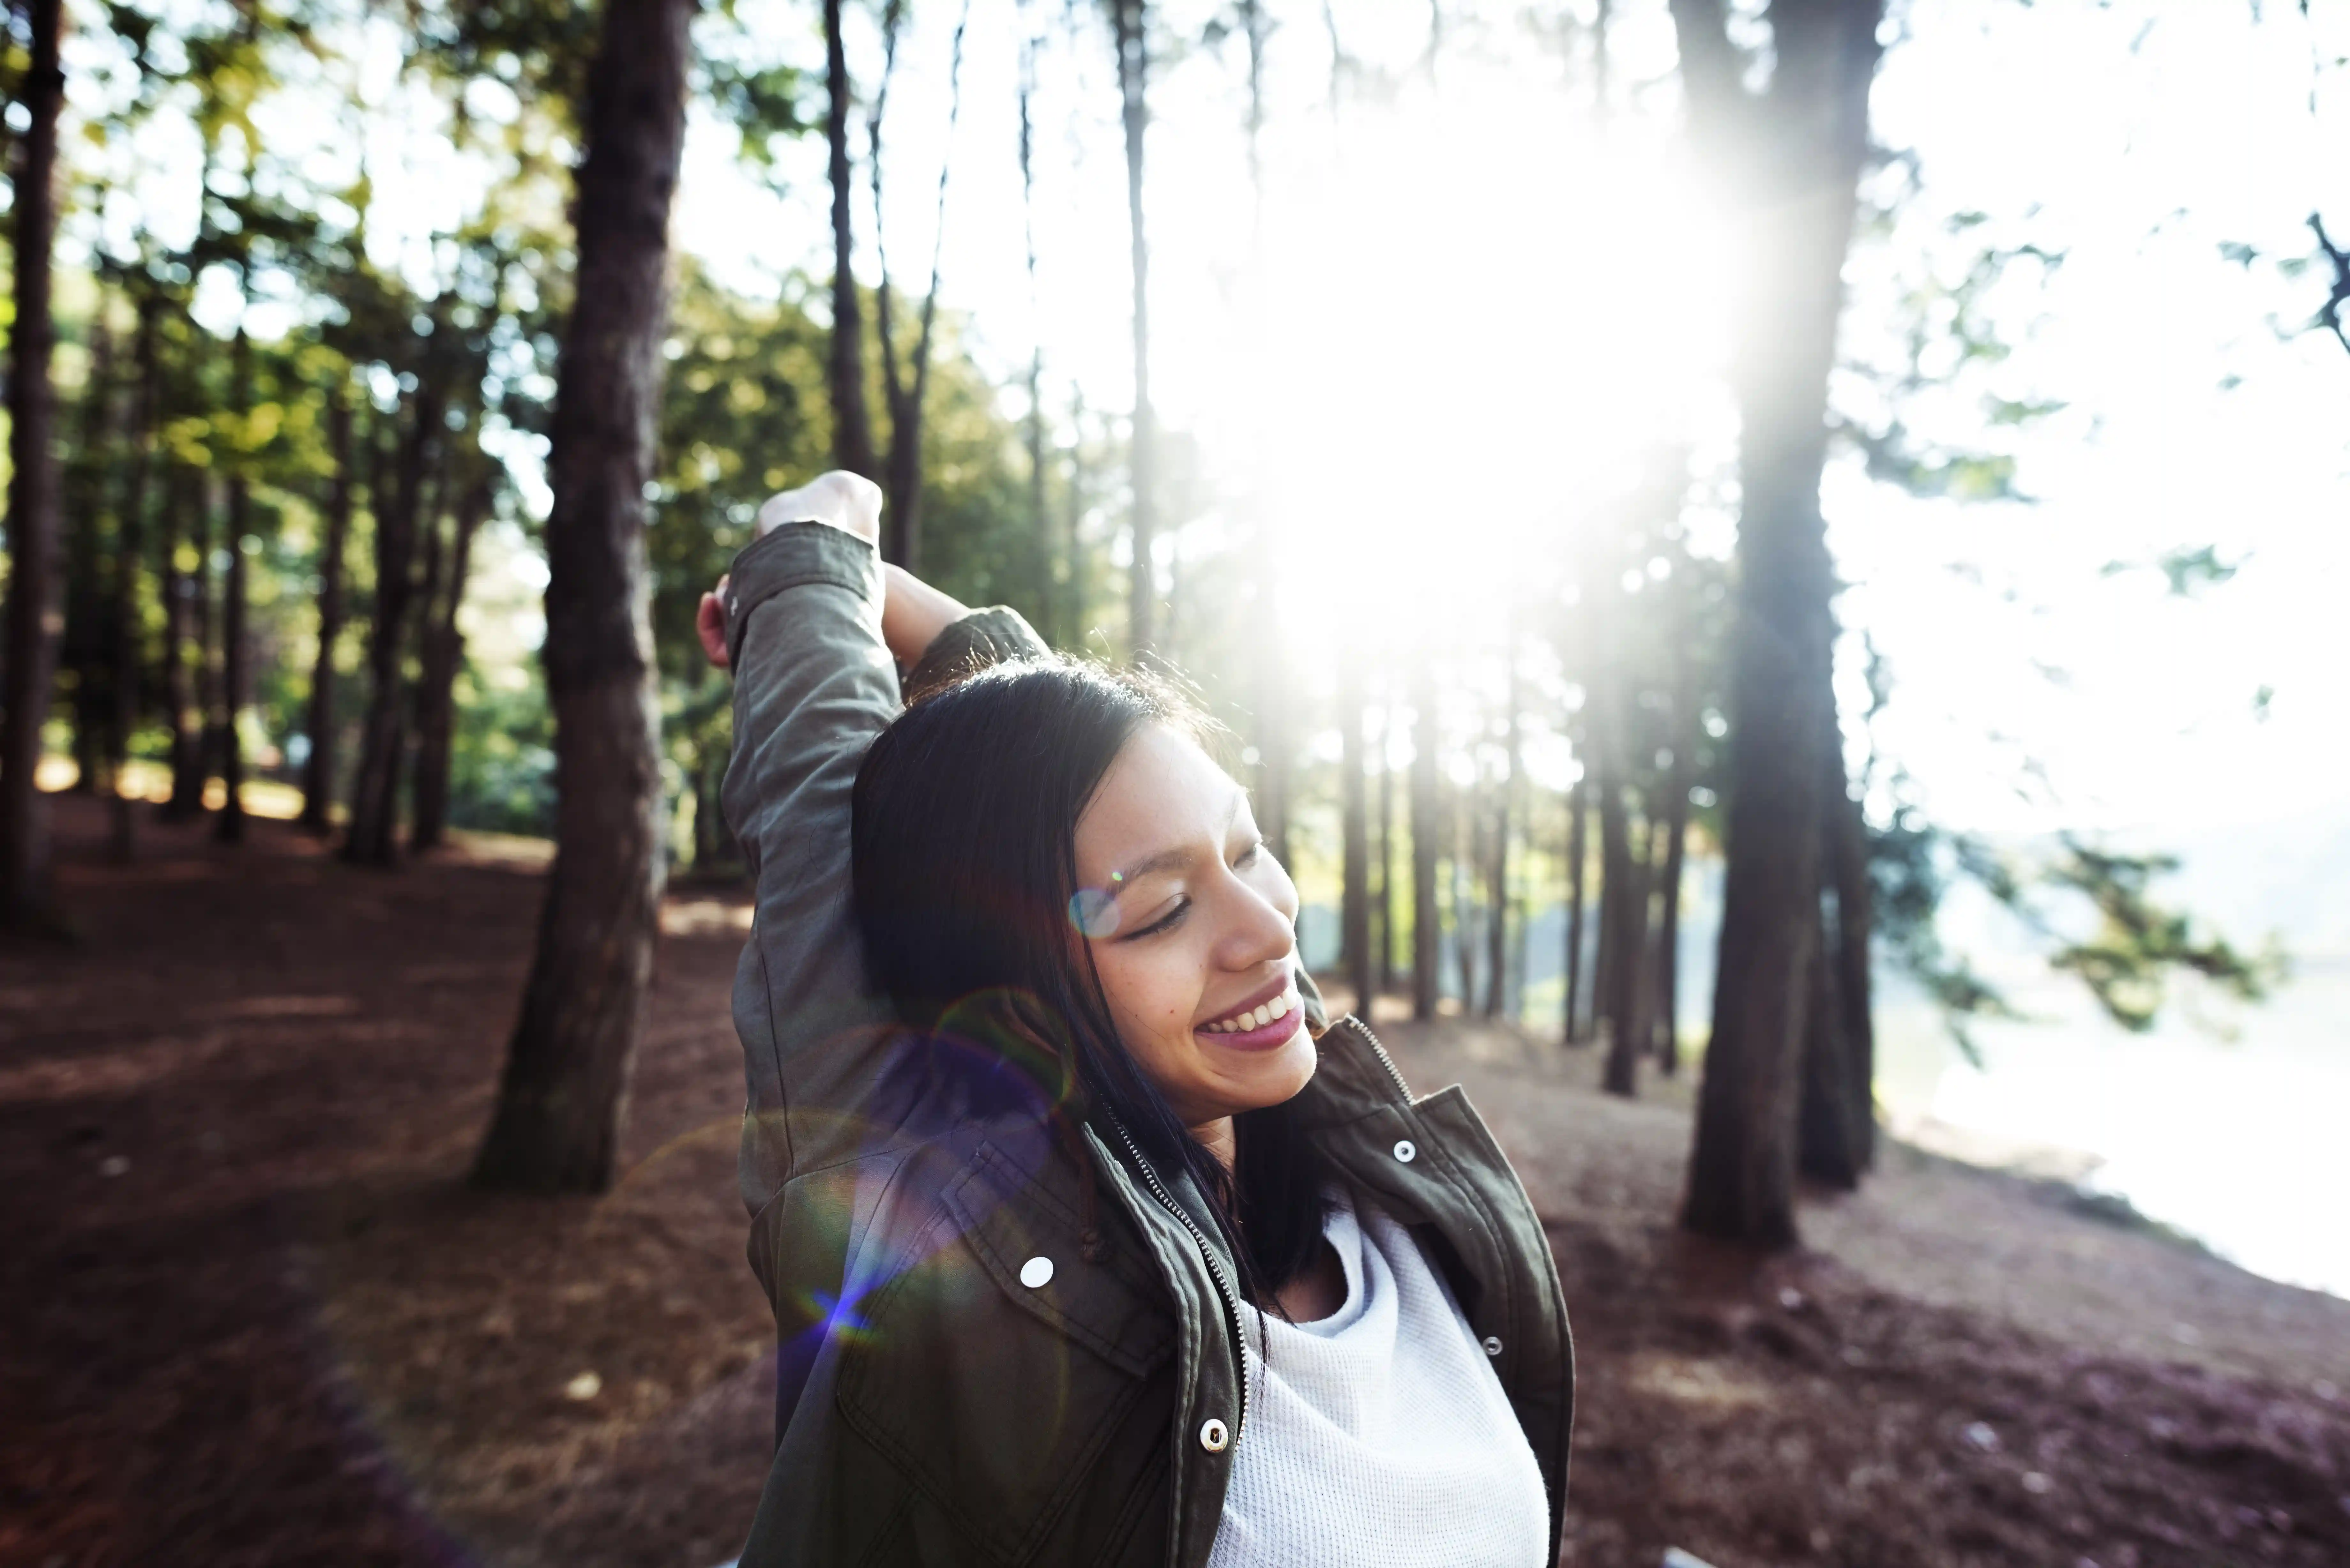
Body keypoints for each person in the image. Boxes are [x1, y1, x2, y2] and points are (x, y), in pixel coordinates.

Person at [697, 471, 1573, 1567]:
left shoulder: (1366, 1174)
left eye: (1249, 849)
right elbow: (826, 825)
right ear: (1014, 1004)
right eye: (1161, 911)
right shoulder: (964, 1264)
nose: (1268, 930)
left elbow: (1064, 760)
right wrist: (807, 562)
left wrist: (876, 585)